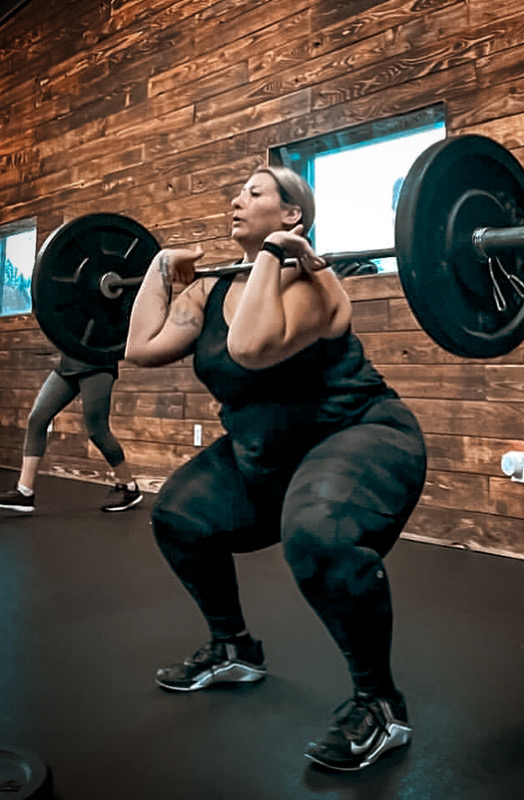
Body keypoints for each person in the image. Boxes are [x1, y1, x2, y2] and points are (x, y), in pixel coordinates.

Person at [124, 166, 427, 772]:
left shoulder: (315, 282)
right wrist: (159, 267)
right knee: (179, 515)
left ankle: (381, 704)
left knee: (319, 535)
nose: (237, 199)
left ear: (292, 215)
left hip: (358, 435)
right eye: (238, 192)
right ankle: (233, 649)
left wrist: (271, 256)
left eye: (255, 192)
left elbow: (251, 348)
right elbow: (140, 348)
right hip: (267, 454)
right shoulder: (210, 292)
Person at [0, 353, 142, 513]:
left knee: (98, 431)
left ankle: (129, 487)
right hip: (69, 364)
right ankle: (25, 491)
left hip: (97, 365)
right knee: (37, 419)